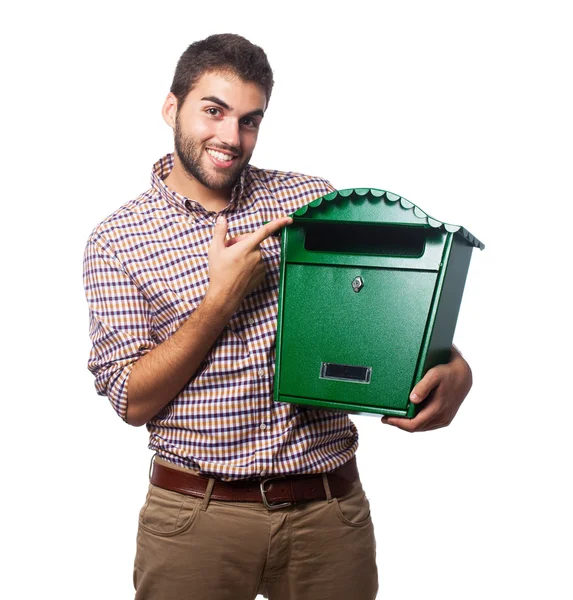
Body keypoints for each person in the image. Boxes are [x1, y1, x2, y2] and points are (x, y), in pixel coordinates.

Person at [84, 33, 473, 600]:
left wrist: (455, 368)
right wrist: (220, 301)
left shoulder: (311, 201)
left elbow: (386, 310)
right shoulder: (117, 240)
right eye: (213, 112)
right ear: (171, 108)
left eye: (249, 120)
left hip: (327, 512)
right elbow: (130, 399)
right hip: (197, 518)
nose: (230, 137)